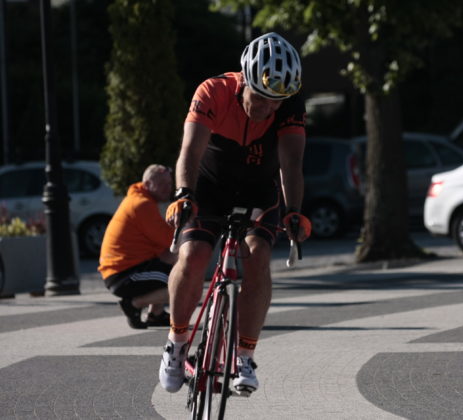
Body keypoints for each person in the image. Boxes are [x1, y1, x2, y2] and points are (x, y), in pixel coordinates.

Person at [159, 32, 311, 395]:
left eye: (274, 104)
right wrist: (184, 194)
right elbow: (190, 152)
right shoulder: (213, 91)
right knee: (194, 255)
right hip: (209, 186)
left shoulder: (288, 105)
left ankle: (245, 355)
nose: (265, 109)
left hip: (259, 190)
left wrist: (293, 211)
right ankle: (177, 344)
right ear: (244, 81)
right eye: (259, 98)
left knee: (258, 256)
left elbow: (291, 164)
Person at [99, 164, 177, 329]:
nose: (168, 188)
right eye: (162, 184)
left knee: (174, 265)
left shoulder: (139, 200)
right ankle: (134, 304)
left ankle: (156, 315)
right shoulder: (142, 205)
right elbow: (170, 240)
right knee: (181, 282)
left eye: (169, 184)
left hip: (125, 270)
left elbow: (164, 248)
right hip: (122, 275)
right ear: (147, 184)